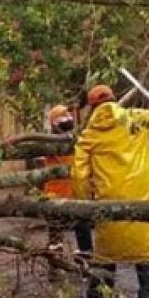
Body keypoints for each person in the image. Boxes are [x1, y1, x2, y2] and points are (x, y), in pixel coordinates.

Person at [72, 83, 149, 298]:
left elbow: (79, 176)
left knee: (105, 259)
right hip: (145, 205)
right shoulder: (136, 119)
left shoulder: (89, 135)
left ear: (91, 107)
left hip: (111, 208)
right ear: (115, 99)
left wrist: (88, 205)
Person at [40, 105, 93, 261]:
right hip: (55, 195)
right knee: (56, 236)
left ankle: (86, 261)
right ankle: (55, 264)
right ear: (54, 123)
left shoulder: (76, 139)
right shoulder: (49, 144)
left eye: (68, 114)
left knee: (83, 231)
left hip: (76, 193)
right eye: (63, 115)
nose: (69, 118)